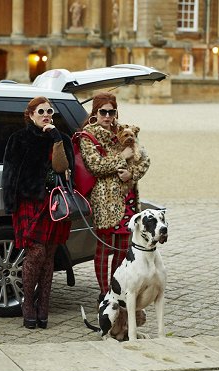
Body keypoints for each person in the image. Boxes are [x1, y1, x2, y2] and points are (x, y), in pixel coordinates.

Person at [2, 96, 75, 330]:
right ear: (31, 114)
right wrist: (10, 204)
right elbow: (9, 174)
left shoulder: (61, 138)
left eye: (49, 111)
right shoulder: (19, 139)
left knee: (49, 256)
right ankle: (27, 305)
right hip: (29, 202)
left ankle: (43, 307)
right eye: (41, 111)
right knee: (36, 252)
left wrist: (55, 139)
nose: (46, 115)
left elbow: (63, 168)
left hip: (54, 204)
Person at [79, 92, 150, 304]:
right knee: (104, 246)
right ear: (95, 112)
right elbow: (96, 166)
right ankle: (104, 292)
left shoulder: (124, 130)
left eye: (112, 111)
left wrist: (132, 174)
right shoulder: (87, 135)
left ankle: (117, 288)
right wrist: (122, 157)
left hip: (127, 198)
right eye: (103, 111)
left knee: (121, 247)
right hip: (104, 199)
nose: (108, 116)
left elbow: (145, 160)